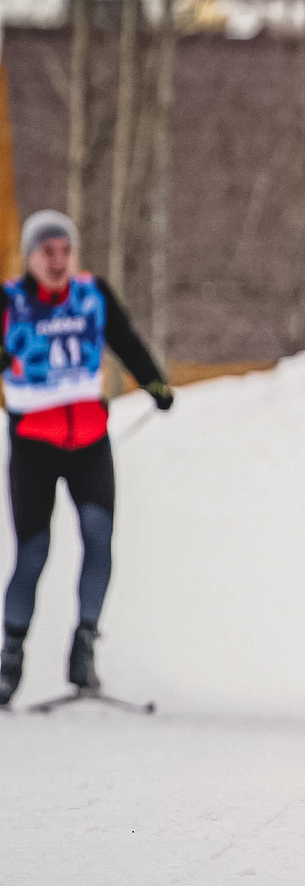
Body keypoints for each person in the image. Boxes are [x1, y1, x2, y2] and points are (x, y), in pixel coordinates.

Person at [0, 212, 175, 708]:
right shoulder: (11, 302)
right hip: (33, 442)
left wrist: (155, 382)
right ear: (30, 257)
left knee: (99, 537)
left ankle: (84, 647)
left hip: (90, 441)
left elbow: (125, 340)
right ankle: (10, 660)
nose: (57, 261)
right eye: (46, 252)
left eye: (65, 250)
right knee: (32, 554)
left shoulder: (91, 294)